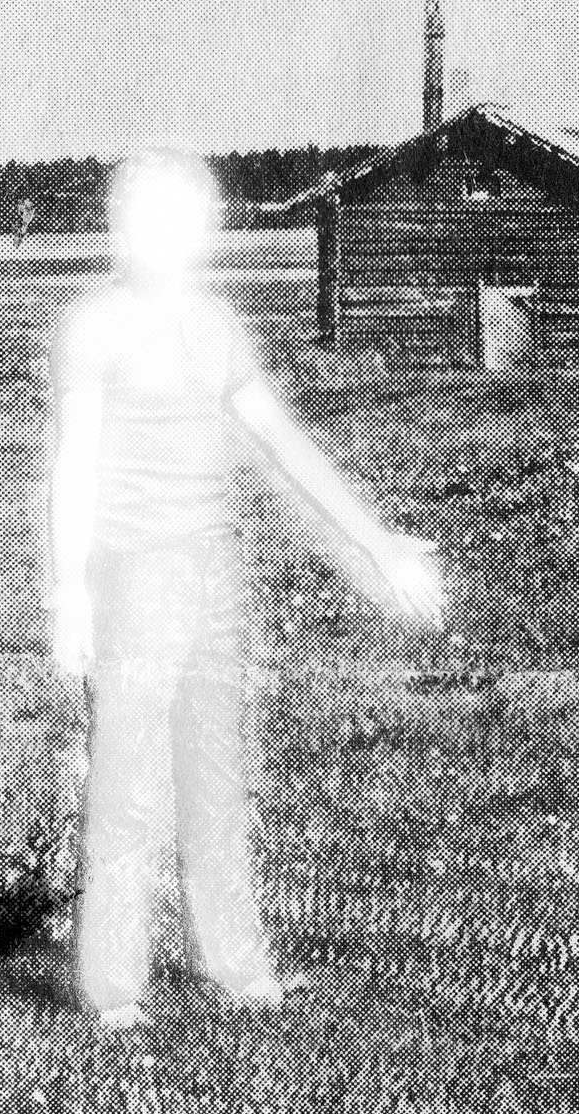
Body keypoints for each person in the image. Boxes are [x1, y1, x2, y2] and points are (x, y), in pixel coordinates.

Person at [48, 149, 444, 1032]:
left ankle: (237, 965)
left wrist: (376, 543)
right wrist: (68, 594)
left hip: (213, 571)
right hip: (134, 575)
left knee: (216, 778)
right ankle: (114, 989)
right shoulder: (93, 324)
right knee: (127, 790)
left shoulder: (216, 325)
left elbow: (282, 442)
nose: (162, 237)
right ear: (120, 228)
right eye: (144, 218)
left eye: (180, 221)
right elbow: (73, 468)